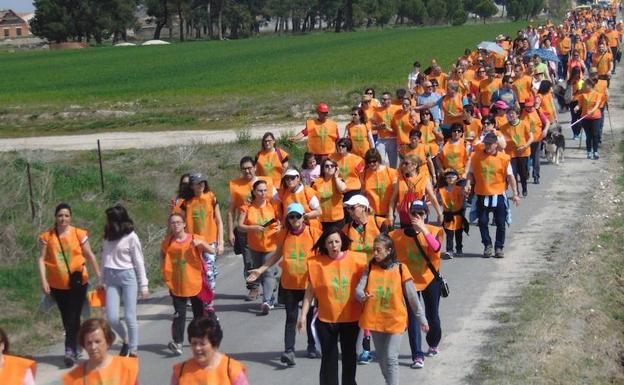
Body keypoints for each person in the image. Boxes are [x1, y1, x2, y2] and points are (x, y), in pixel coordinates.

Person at [247, 203, 322, 365]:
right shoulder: (283, 234)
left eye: (298, 216)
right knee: (291, 318)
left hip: (308, 284)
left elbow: (321, 256)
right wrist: (260, 270)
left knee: (310, 317)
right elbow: (276, 255)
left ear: (304, 217)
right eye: (291, 216)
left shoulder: (313, 233)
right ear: (287, 218)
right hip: (289, 284)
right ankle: (289, 351)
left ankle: (312, 346)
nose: (295, 219)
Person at [297, 228, 367, 385]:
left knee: (349, 356)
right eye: (330, 242)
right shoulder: (316, 264)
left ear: (342, 242)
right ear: (325, 245)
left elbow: (369, 284)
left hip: (351, 317)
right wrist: (302, 316)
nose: (334, 245)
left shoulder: (358, 260)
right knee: (329, 357)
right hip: (326, 318)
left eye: (336, 241)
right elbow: (309, 292)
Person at [356, 234, 429, 384]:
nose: (375, 254)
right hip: (375, 321)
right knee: (383, 360)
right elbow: (358, 290)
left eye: (378, 250)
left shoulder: (401, 269)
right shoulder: (370, 268)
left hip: (396, 320)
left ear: (389, 250)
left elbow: (412, 297)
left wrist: (422, 319)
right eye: (374, 250)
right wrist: (362, 295)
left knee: (391, 357)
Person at [37, 203, 101, 367]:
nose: (63, 218)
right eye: (60, 215)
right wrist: (44, 281)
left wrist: (100, 275)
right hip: (57, 285)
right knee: (68, 318)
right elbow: (41, 259)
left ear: (70, 217)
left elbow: (89, 254)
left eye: (66, 215)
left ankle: (69, 351)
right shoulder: (47, 237)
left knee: (72, 317)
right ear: (55, 217)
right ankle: (77, 345)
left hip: (78, 282)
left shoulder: (78, 233)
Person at [389, 200, 444, 369]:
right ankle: (417, 355)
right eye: (414, 213)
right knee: (413, 319)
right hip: (409, 282)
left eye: (421, 214)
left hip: (429, 279)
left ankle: (433, 343)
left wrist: (424, 229)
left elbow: (436, 248)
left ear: (426, 215)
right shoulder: (397, 235)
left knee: (432, 315)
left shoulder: (434, 231)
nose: (417, 217)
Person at [162, 213, 216, 356]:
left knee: (198, 315)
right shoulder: (167, 242)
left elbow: (212, 251)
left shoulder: (195, 238)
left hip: (195, 283)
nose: (176, 225)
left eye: (179, 222)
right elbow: (164, 259)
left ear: (184, 224)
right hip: (177, 284)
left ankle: (199, 339)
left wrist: (202, 244)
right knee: (179, 315)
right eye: (173, 223)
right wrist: (167, 276)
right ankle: (178, 343)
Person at [100, 205, 149, 358]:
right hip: (111, 277)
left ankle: (133, 349)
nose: (107, 222)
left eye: (109, 219)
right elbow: (105, 258)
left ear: (117, 221)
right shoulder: (108, 235)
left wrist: (144, 285)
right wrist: (101, 279)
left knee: (129, 316)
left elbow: (139, 261)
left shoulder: (131, 237)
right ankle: (126, 340)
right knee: (112, 317)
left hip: (128, 277)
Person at [464, 133, 521, 258]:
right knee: (483, 222)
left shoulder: (504, 158)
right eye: (486, 143)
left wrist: (515, 193)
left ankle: (499, 247)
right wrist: (468, 184)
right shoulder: (476, 156)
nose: (488, 146)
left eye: (491, 143)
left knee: (501, 223)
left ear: (496, 144)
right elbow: (471, 173)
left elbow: (510, 177)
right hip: (481, 195)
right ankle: (487, 245)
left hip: (498, 195)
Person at [227, 156, 276, 302]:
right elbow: (230, 210)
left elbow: (276, 203)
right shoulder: (235, 185)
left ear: (255, 167)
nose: (247, 171)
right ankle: (254, 287)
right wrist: (230, 231)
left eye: (249, 167)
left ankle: (269, 278)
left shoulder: (267, 181)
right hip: (246, 229)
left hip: (266, 229)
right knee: (249, 260)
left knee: (267, 258)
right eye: (244, 169)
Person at [237, 180, 281, 314]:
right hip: (254, 246)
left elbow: (281, 220)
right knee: (259, 273)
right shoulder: (247, 207)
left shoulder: (273, 205)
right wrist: (252, 227)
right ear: (254, 192)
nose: (263, 193)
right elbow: (239, 226)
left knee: (267, 272)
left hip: (271, 245)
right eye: (260, 190)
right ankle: (271, 294)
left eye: (265, 190)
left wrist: (280, 226)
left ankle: (266, 301)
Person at [171, 314, 248, 385]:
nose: (197, 348)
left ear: (214, 344)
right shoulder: (181, 371)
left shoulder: (232, 371)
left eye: (202, 344)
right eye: (194, 343)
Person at [185, 173, 224, 310]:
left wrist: (221, 242)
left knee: (208, 274)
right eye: (197, 183)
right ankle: (199, 297)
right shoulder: (186, 203)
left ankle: (209, 303)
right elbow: (177, 220)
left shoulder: (211, 197)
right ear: (191, 186)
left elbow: (219, 221)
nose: (201, 185)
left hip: (209, 242)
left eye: (203, 182)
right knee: (198, 273)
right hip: (193, 243)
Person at [63, 318, 138, 385]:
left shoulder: (127, 367)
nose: (93, 347)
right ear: (84, 345)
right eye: (89, 343)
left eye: (97, 341)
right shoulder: (74, 378)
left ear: (108, 342)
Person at [389, 155, 443, 228]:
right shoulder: (399, 179)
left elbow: (432, 197)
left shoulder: (424, 179)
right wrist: (390, 215)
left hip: (420, 213)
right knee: (407, 238)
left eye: (406, 163)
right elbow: (393, 199)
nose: (403, 166)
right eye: (402, 163)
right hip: (405, 214)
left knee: (421, 237)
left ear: (415, 165)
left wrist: (439, 214)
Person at [500, 108, 533, 197]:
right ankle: (516, 192)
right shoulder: (503, 127)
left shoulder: (524, 124)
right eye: (509, 114)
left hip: (523, 153)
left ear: (517, 114)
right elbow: (501, 139)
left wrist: (525, 146)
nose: (511, 115)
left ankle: (524, 188)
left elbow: (531, 138)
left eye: (513, 113)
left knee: (523, 173)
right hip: (511, 154)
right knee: (513, 173)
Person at [330, 138, 365, 215]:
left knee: (353, 214)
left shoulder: (358, 160)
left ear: (348, 147)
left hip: (353, 190)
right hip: (338, 189)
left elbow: (362, 177)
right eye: (339, 145)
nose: (340, 147)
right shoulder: (332, 157)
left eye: (343, 146)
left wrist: (363, 191)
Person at [362, 149, 399, 219]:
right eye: (369, 162)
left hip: (388, 213)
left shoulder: (391, 172)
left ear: (379, 160)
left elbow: (395, 195)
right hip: (371, 214)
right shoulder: (364, 174)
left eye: (374, 161)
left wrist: (391, 212)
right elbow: (363, 194)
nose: (371, 164)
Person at [520, 97, 550, 184]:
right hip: (526, 140)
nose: (529, 108)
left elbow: (547, 122)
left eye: (531, 106)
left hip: (537, 139)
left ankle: (536, 176)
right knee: (526, 159)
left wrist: (545, 130)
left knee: (536, 159)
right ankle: (526, 173)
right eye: (527, 106)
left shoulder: (538, 112)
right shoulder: (522, 113)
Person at [312, 158, 348, 230]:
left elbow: (343, 189)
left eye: (332, 166)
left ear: (336, 168)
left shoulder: (339, 180)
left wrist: (336, 177)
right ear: (323, 169)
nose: (330, 167)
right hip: (322, 219)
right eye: (327, 166)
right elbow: (312, 199)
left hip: (337, 219)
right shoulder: (316, 182)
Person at [439, 169, 466, 259]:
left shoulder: (460, 189)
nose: (451, 179)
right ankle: (449, 250)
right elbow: (437, 200)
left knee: (458, 233)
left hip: (458, 214)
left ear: (457, 178)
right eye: (448, 177)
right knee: (449, 234)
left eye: (453, 177)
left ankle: (459, 248)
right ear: (445, 179)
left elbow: (465, 196)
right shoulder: (441, 190)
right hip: (447, 214)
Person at [574, 79, 603, 159]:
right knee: (588, 136)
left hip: (595, 117)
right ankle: (589, 152)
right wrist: (576, 107)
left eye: (585, 85)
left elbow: (597, 105)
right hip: (585, 118)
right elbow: (580, 105)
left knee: (595, 134)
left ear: (590, 85)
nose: (584, 86)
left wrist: (592, 111)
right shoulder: (583, 95)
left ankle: (595, 152)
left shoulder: (597, 94)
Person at [372, 92, 401, 168]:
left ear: (390, 100)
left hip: (393, 139)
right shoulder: (377, 110)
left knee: (393, 164)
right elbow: (371, 125)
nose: (382, 101)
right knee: (379, 160)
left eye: (384, 99)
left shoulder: (397, 108)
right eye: (382, 99)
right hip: (381, 139)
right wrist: (379, 126)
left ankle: (393, 178)